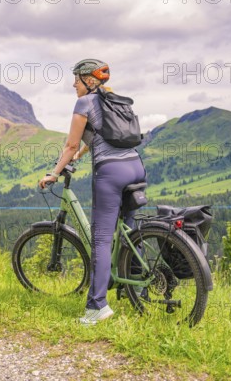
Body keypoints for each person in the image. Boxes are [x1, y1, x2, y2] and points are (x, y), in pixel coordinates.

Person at [38, 59, 146, 325]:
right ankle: (138, 289)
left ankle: (97, 306)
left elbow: (71, 143)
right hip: (136, 167)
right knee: (129, 233)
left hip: (111, 174)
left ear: (89, 80)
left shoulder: (84, 103)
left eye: (77, 78)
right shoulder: (115, 100)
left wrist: (54, 173)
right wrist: (81, 155)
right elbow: (100, 136)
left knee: (101, 240)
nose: (73, 84)